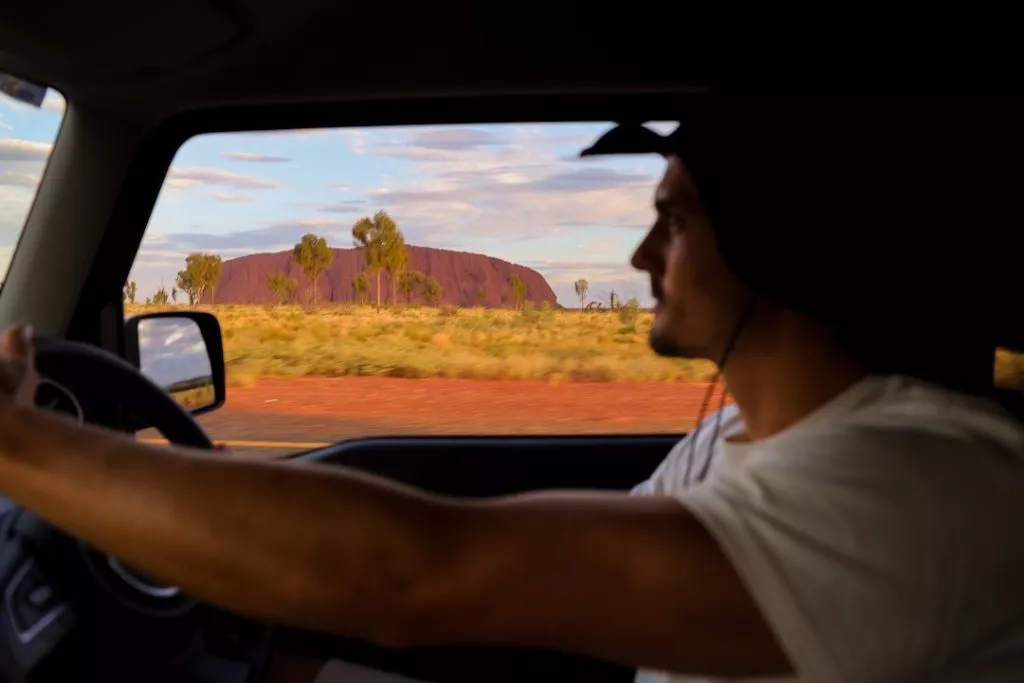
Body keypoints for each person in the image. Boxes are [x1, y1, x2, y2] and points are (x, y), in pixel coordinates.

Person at [1, 98, 1024, 683]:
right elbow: (561, 628)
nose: (639, 253)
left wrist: (21, 442)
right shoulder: (741, 443)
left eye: (673, 219)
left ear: (776, 241)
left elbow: (424, 573)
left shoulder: (920, 482)